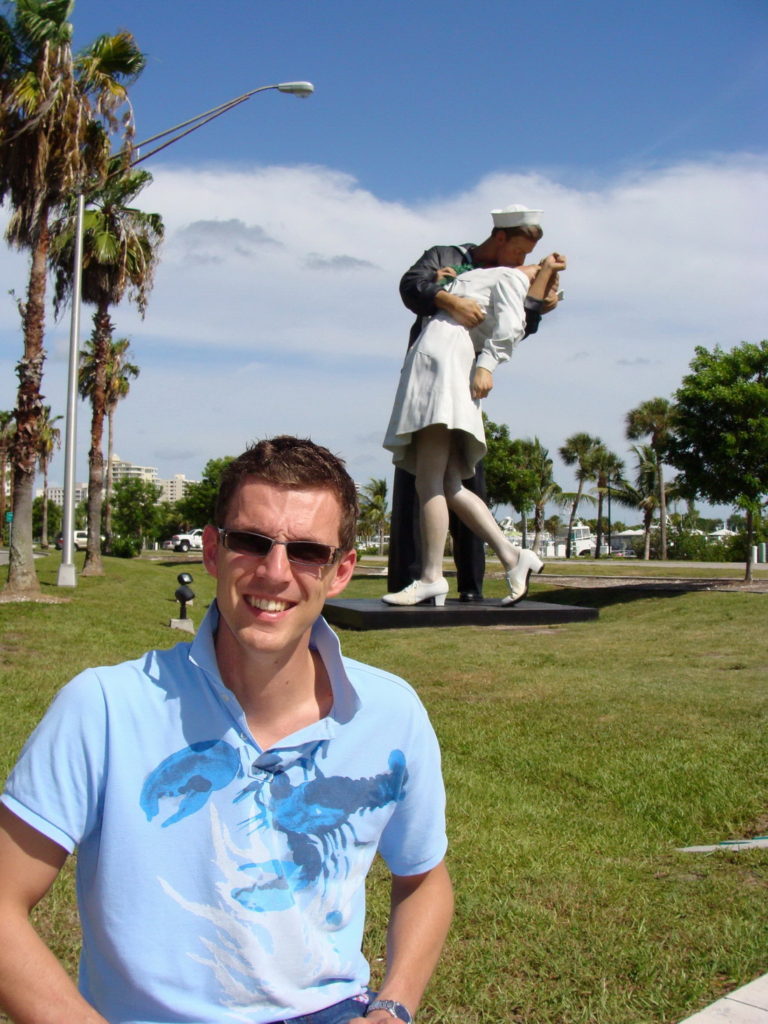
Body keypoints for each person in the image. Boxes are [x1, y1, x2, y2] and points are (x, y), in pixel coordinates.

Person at [0, 436, 453, 1024]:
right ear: (213, 551)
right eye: (250, 541)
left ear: (341, 571)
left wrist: (394, 1007)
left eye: (308, 552)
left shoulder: (391, 713)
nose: (274, 572)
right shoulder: (105, 707)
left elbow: (423, 879)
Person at [381, 209, 565, 607]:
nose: (524, 261)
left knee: (429, 480)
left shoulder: (510, 277)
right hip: (435, 361)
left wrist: (486, 365)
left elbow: (513, 326)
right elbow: (415, 286)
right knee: (447, 484)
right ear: (502, 239)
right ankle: (514, 556)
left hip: (445, 364)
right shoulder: (476, 268)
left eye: (531, 258)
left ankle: (431, 577)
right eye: (520, 251)